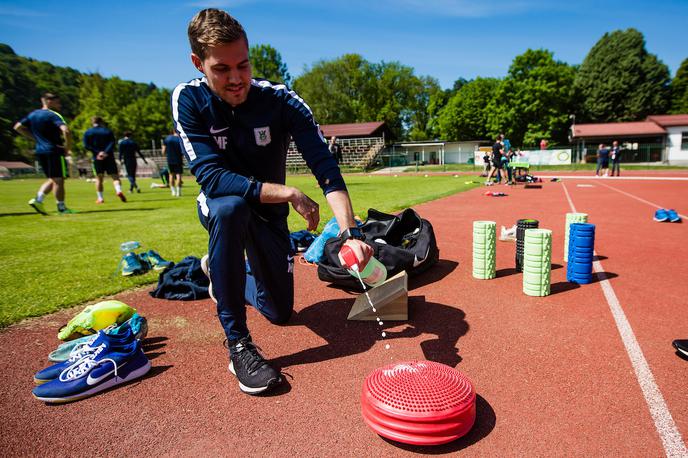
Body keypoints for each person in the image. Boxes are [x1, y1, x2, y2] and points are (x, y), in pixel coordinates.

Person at [173, 8, 372, 395]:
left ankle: (219, 271)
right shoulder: (189, 99)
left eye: (243, 65)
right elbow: (212, 178)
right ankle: (238, 344)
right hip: (221, 206)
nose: (235, 79)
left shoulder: (281, 101)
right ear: (199, 63)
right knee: (231, 208)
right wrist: (289, 192)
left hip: (270, 217)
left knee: (280, 313)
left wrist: (351, 232)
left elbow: (325, 166)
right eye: (221, 69)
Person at [13, 93, 75, 214]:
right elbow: (66, 130)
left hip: (40, 150)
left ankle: (39, 200)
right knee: (59, 179)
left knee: (52, 178)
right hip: (54, 150)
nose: (59, 105)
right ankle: (61, 207)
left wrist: (34, 138)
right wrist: (67, 147)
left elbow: (17, 127)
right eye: (57, 102)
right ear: (48, 101)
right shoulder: (53, 115)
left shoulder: (33, 114)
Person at [83, 116, 126, 203]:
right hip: (109, 157)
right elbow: (112, 143)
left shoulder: (88, 132)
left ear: (92, 122)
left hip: (97, 158)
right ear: (101, 122)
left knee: (99, 179)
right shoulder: (107, 131)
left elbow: (86, 145)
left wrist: (98, 152)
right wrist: (105, 152)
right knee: (115, 177)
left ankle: (100, 198)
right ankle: (118, 191)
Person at [162, 130, 184, 197]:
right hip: (179, 159)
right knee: (178, 176)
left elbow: (163, 151)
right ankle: (178, 192)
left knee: (171, 175)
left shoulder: (167, 138)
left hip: (170, 160)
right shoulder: (180, 139)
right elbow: (183, 151)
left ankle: (173, 191)